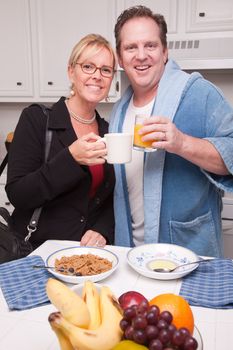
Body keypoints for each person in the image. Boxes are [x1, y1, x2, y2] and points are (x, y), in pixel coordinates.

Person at [110, 5, 233, 257]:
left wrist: (182, 143)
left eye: (151, 45)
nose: (141, 55)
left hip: (187, 249)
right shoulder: (119, 109)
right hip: (131, 253)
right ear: (120, 58)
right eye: (131, 47)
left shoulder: (199, 93)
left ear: (165, 52)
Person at [6, 34, 116, 249]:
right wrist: (71, 159)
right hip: (36, 251)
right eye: (88, 66)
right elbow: (18, 194)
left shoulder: (108, 131)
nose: (97, 75)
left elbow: (112, 197)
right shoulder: (37, 119)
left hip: (85, 255)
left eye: (106, 70)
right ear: (71, 71)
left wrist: (103, 229)